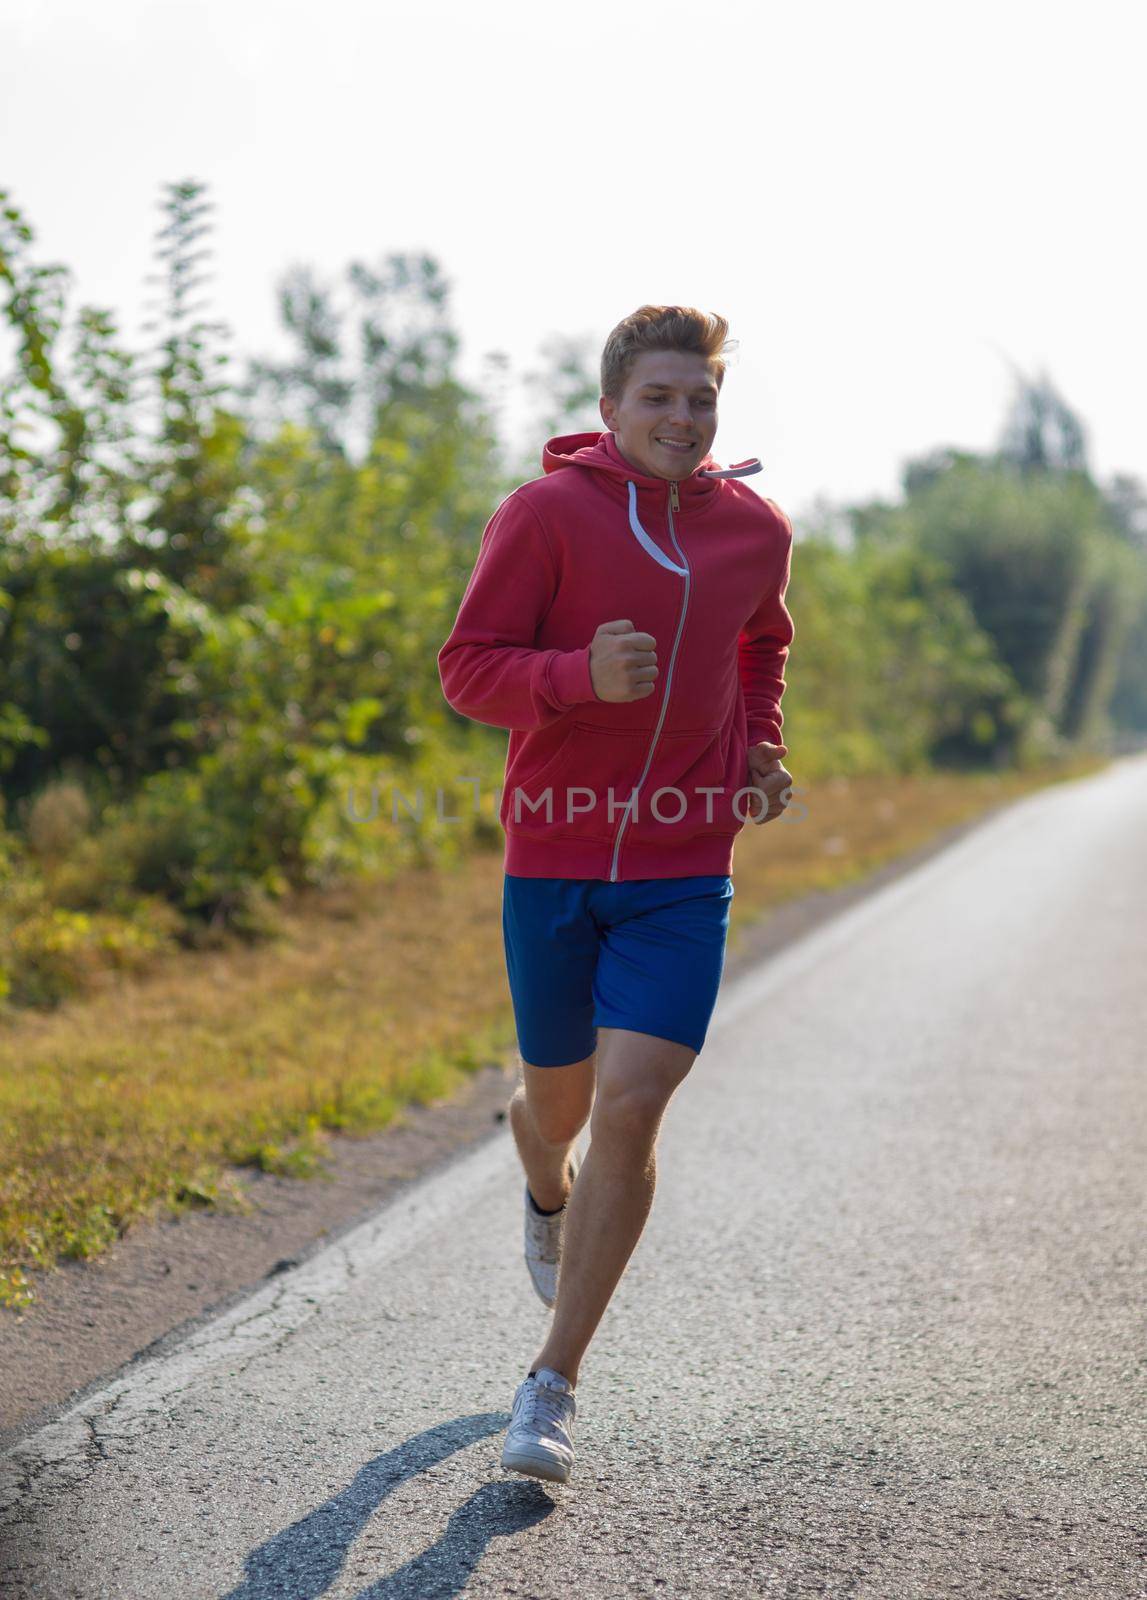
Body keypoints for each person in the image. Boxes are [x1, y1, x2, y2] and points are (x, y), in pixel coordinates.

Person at [437, 304, 795, 1485]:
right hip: (555, 854)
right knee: (560, 1107)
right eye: (660, 398)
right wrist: (574, 678)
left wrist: (757, 744)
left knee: (634, 1103)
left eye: (700, 399)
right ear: (610, 408)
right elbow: (467, 666)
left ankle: (552, 1380)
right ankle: (542, 1176)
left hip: (685, 866)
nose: (683, 419)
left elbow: (759, 644)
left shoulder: (753, 530)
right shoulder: (543, 515)